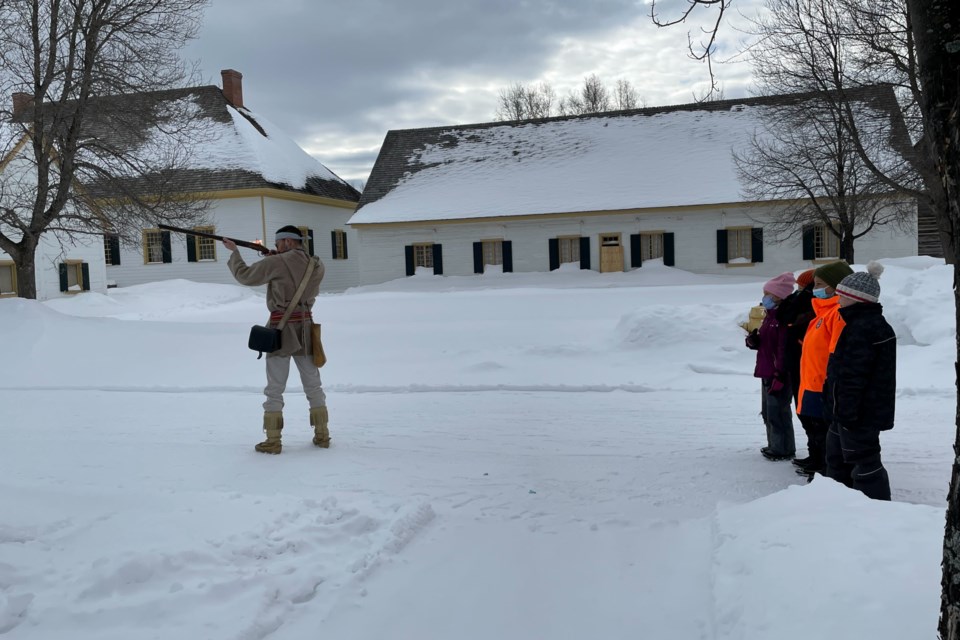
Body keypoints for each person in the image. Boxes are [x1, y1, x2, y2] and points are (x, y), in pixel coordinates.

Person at [223, 225, 329, 454]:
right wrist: (276, 257)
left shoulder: (278, 262)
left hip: (281, 329)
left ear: (288, 242)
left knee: (274, 388)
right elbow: (294, 271)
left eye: (279, 243)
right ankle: (322, 435)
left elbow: (246, 276)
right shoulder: (317, 264)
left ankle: (273, 441)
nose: (276, 247)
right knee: (313, 385)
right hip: (307, 329)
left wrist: (234, 252)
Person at [824, 262, 895, 500]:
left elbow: (854, 376)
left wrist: (846, 412)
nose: (838, 300)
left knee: (864, 462)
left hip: (858, 414)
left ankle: (875, 509)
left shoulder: (865, 328)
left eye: (841, 295)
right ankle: (840, 503)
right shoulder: (855, 324)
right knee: (837, 459)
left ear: (856, 299)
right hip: (846, 411)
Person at [793, 260, 853, 478]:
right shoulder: (821, 313)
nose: (814, 289)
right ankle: (820, 468)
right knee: (817, 433)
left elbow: (837, 354)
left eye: (819, 284)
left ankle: (826, 476)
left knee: (826, 436)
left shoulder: (837, 313)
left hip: (823, 387)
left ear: (836, 286)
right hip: (811, 384)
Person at [745, 272, 796, 461]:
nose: (764, 297)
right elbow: (766, 343)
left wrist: (780, 374)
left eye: (767, 293)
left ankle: (783, 449)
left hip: (778, 373)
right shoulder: (770, 316)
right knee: (768, 411)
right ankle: (775, 445)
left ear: (778, 296)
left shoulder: (782, 319)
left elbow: (782, 349)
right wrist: (753, 341)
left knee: (778, 411)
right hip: (767, 370)